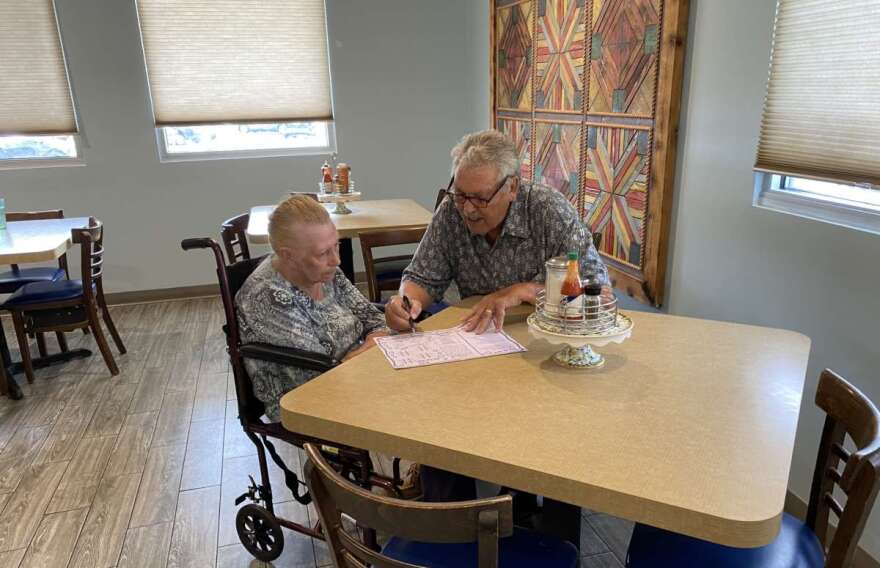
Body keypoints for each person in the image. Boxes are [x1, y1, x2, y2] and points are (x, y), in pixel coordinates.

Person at [386, 129, 608, 335]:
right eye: (461, 194)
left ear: (512, 187)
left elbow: (600, 295)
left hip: (548, 339)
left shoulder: (548, 210)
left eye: (481, 199)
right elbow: (423, 277)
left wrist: (525, 291)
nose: (468, 209)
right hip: (482, 339)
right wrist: (405, 304)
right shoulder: (452, 210)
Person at [236, 194, 387, 422]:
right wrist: (375, 346)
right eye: (323, 253)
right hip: (307, 400)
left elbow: (374, 319)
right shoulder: (269, 296)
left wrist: (373, 342)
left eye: (336, 245)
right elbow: (319, 380)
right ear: (289, 255)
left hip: (357, 373)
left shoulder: (324, 271)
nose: (336, 260)